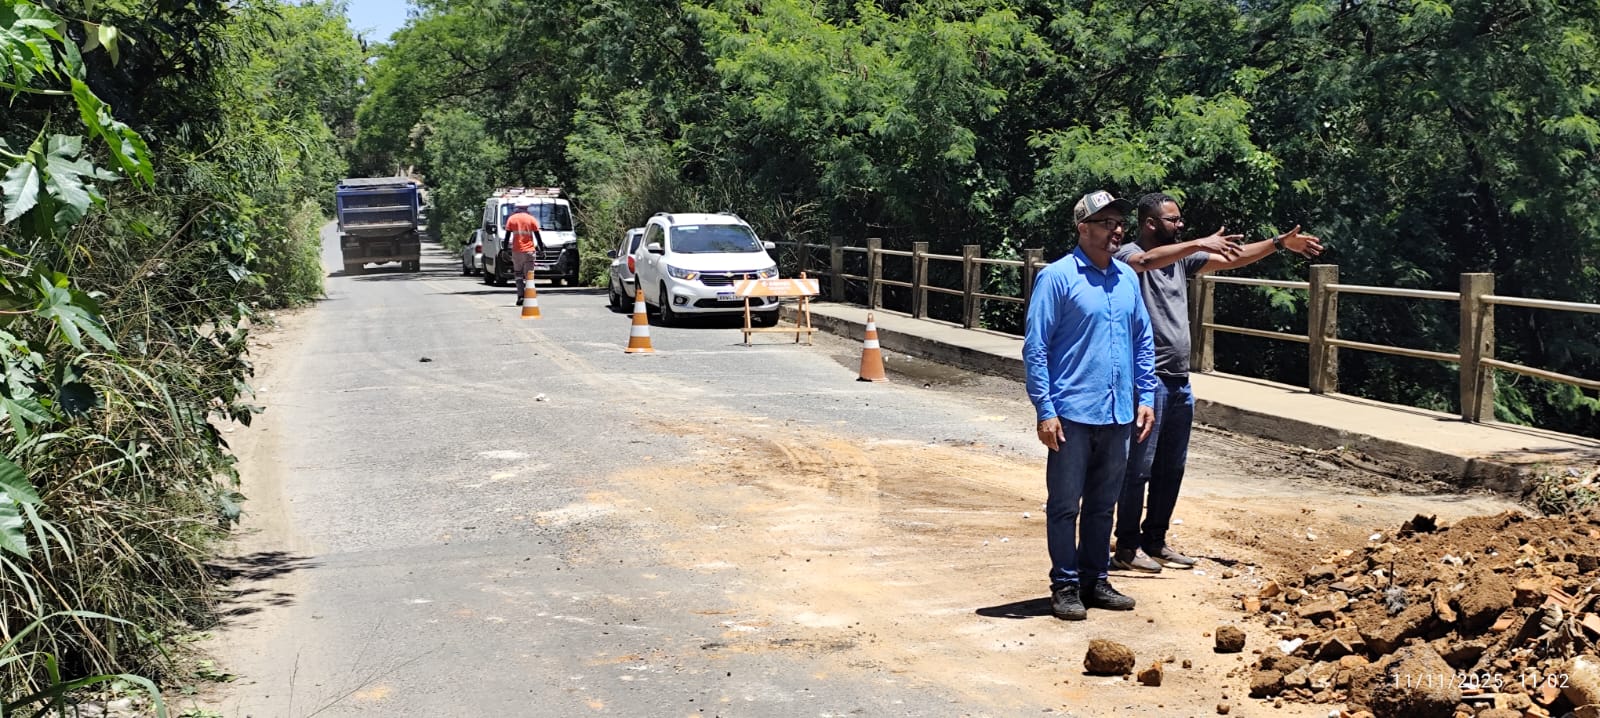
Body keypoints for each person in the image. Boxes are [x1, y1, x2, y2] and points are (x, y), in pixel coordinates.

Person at [1111, 192, 1324, 573]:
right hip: (1146, 380)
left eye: (1180, 220)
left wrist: (1278, 243)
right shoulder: (1127, 254)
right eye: (1173, 220)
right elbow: (1144, 261)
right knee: (1138, 468)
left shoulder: (1180, 258)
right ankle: (1126, 547)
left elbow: (1234, 257)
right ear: (1150, 223)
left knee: (1170, 467)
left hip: (1178, 379)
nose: (1180, 226)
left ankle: (1155, 541)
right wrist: (1196, 243)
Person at [1024, 190, 1157, 621]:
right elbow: (1036, 347)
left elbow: (1143, 341)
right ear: (1083, 228)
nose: (1116, 231)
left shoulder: (1127, 279)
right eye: (1106, 223)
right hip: (1071, 415)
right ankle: (1064, 584)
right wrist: (1044, 409)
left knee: (1104, 504)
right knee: (1065, 505)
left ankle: (1095, 580)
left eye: (1119, 223)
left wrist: (1147, 396)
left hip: (1118, 413)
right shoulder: (1058, 278)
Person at [505, 201, 544, 304]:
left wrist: (505, 250)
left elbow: (507, 236)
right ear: (527, 207)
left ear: (516, 207)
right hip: (529, 251)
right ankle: (529, 297)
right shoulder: (531, 219)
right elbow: (537, 235)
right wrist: (542, 249)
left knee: (518, 274)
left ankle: (520, 296)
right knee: (529, 275)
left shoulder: (511, 219)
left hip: (517, 251)